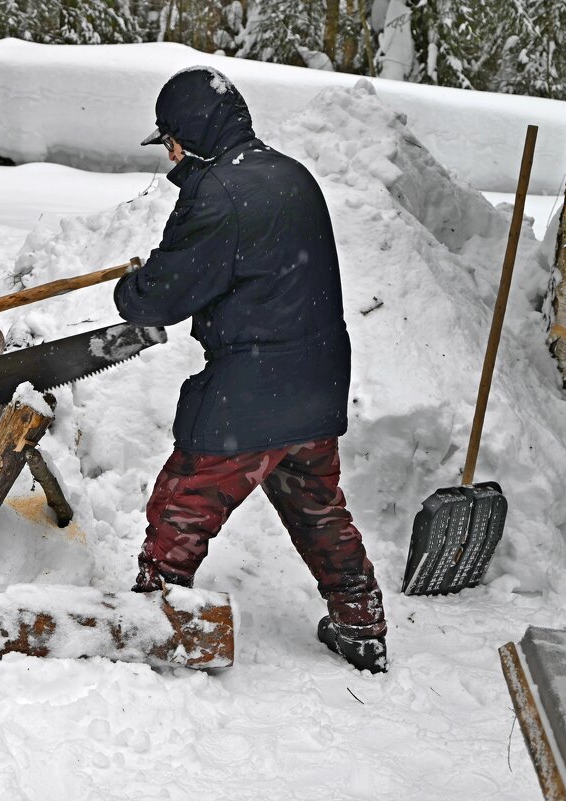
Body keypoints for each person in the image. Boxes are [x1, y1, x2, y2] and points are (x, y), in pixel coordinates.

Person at [114, 66, 388, 674]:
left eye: (169, 142)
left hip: (251, 391)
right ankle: (361, 623)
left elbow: (163, 296)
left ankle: (154, 622)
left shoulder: (216, 193)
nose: (170, 157)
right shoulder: (292, 174)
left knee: (184, 502)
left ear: (187, 134)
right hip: (316, 382)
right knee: (317, 505)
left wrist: (131, 290)